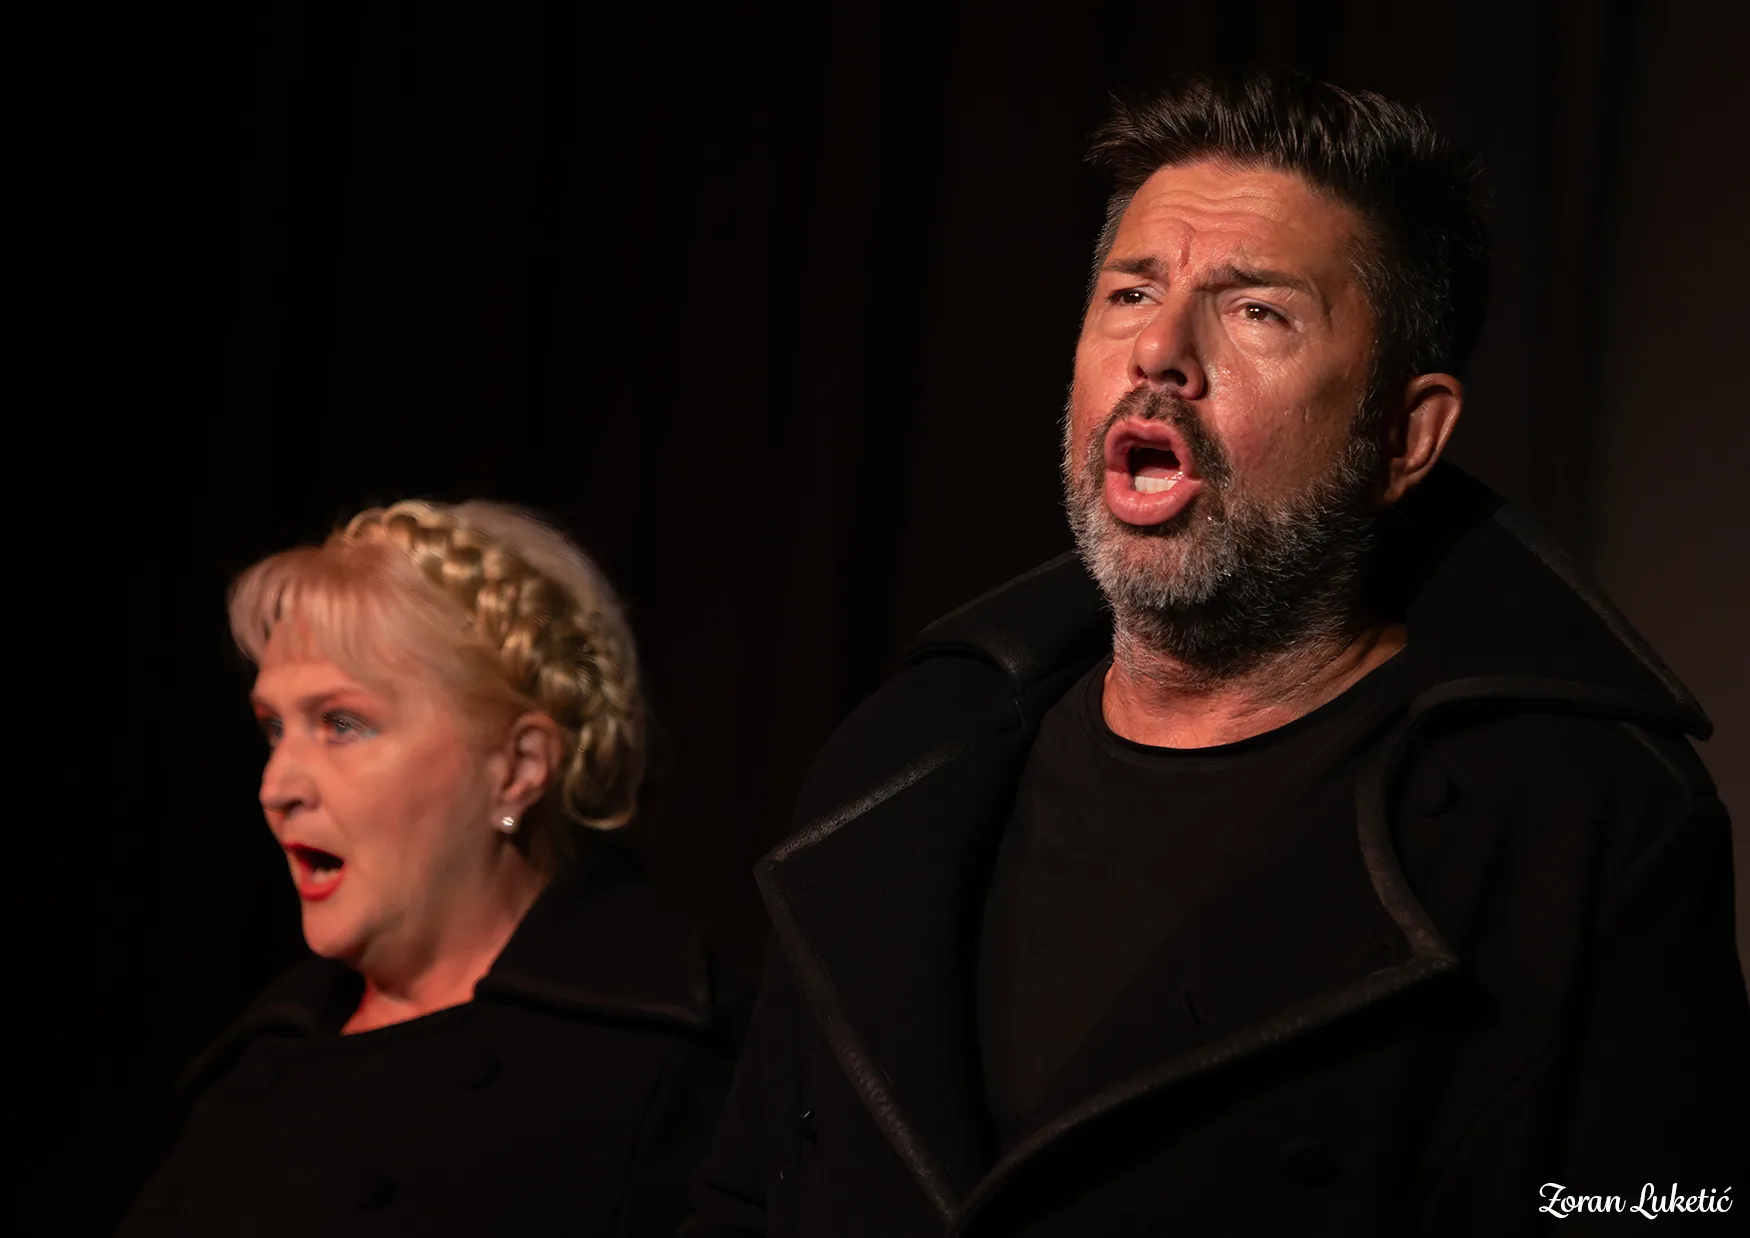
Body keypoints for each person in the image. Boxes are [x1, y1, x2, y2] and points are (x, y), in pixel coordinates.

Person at [682, 67, 1750, 1235]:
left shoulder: (1575, 825)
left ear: (1404, 434)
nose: (1159, 350)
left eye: (1257, 312)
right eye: (1130, 291)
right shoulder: (901, 758)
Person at [120, 500, 746, 1237]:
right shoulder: (254, 1060)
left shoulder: (665, 1071)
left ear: (517, 768)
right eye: (274, 728)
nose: (275, 787)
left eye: (341, 724)